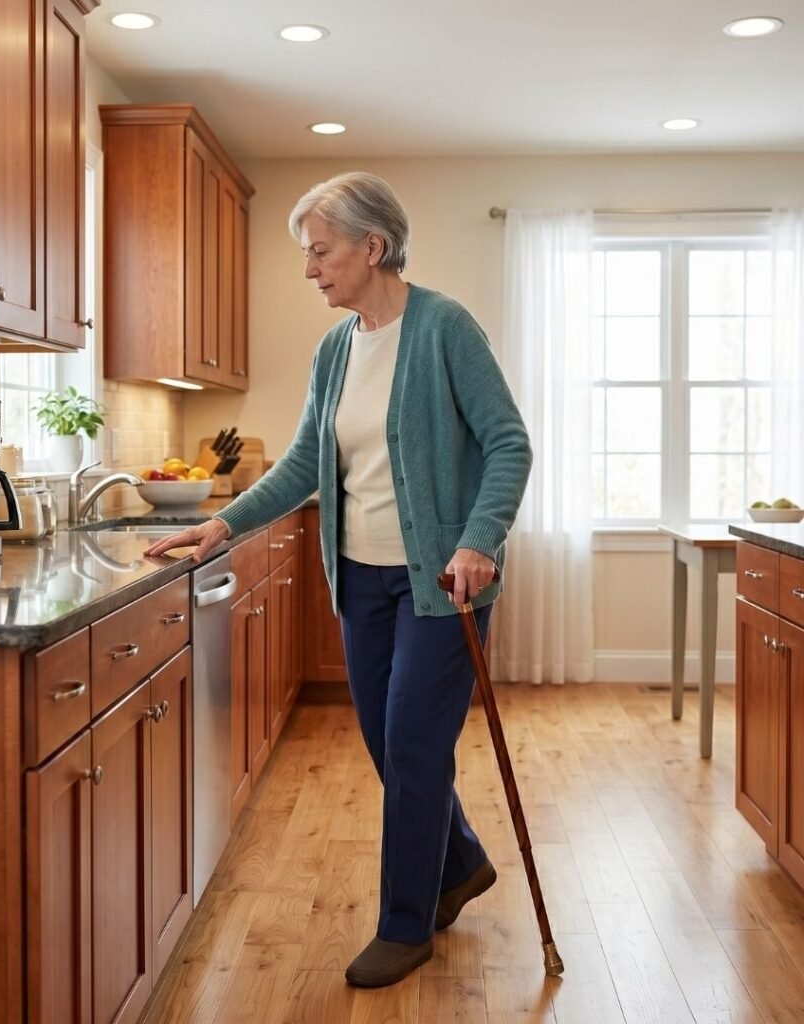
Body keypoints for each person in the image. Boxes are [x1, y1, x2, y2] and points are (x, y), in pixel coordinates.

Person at [143, 172, 532, 988]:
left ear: (372, 246)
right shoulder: (336, 348)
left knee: (414, 746)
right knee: (391, 745)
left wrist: (479, 541)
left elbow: (508, 443)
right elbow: (302, 463)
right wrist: (222, 524)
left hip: (442, 584)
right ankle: (460, 862)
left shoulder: (444, 328)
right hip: (360, 582)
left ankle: (406, 925)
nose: (309, 268)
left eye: (320, 252)